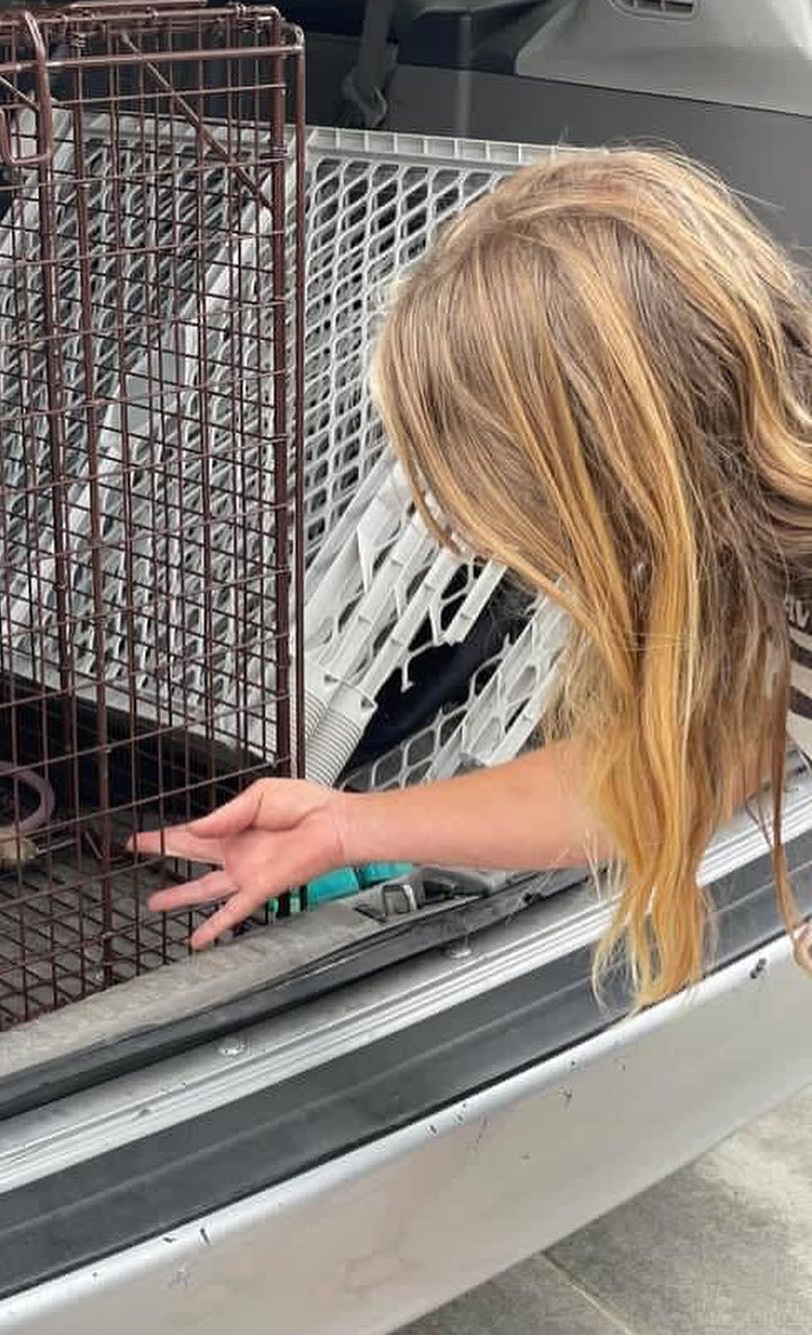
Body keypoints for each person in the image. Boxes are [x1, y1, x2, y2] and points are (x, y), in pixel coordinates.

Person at [129, 147, 812, 1009]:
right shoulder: (761, 570)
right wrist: (343, 825)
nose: (492, 541)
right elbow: (664, 769)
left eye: (499, 498)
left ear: (610, 467)